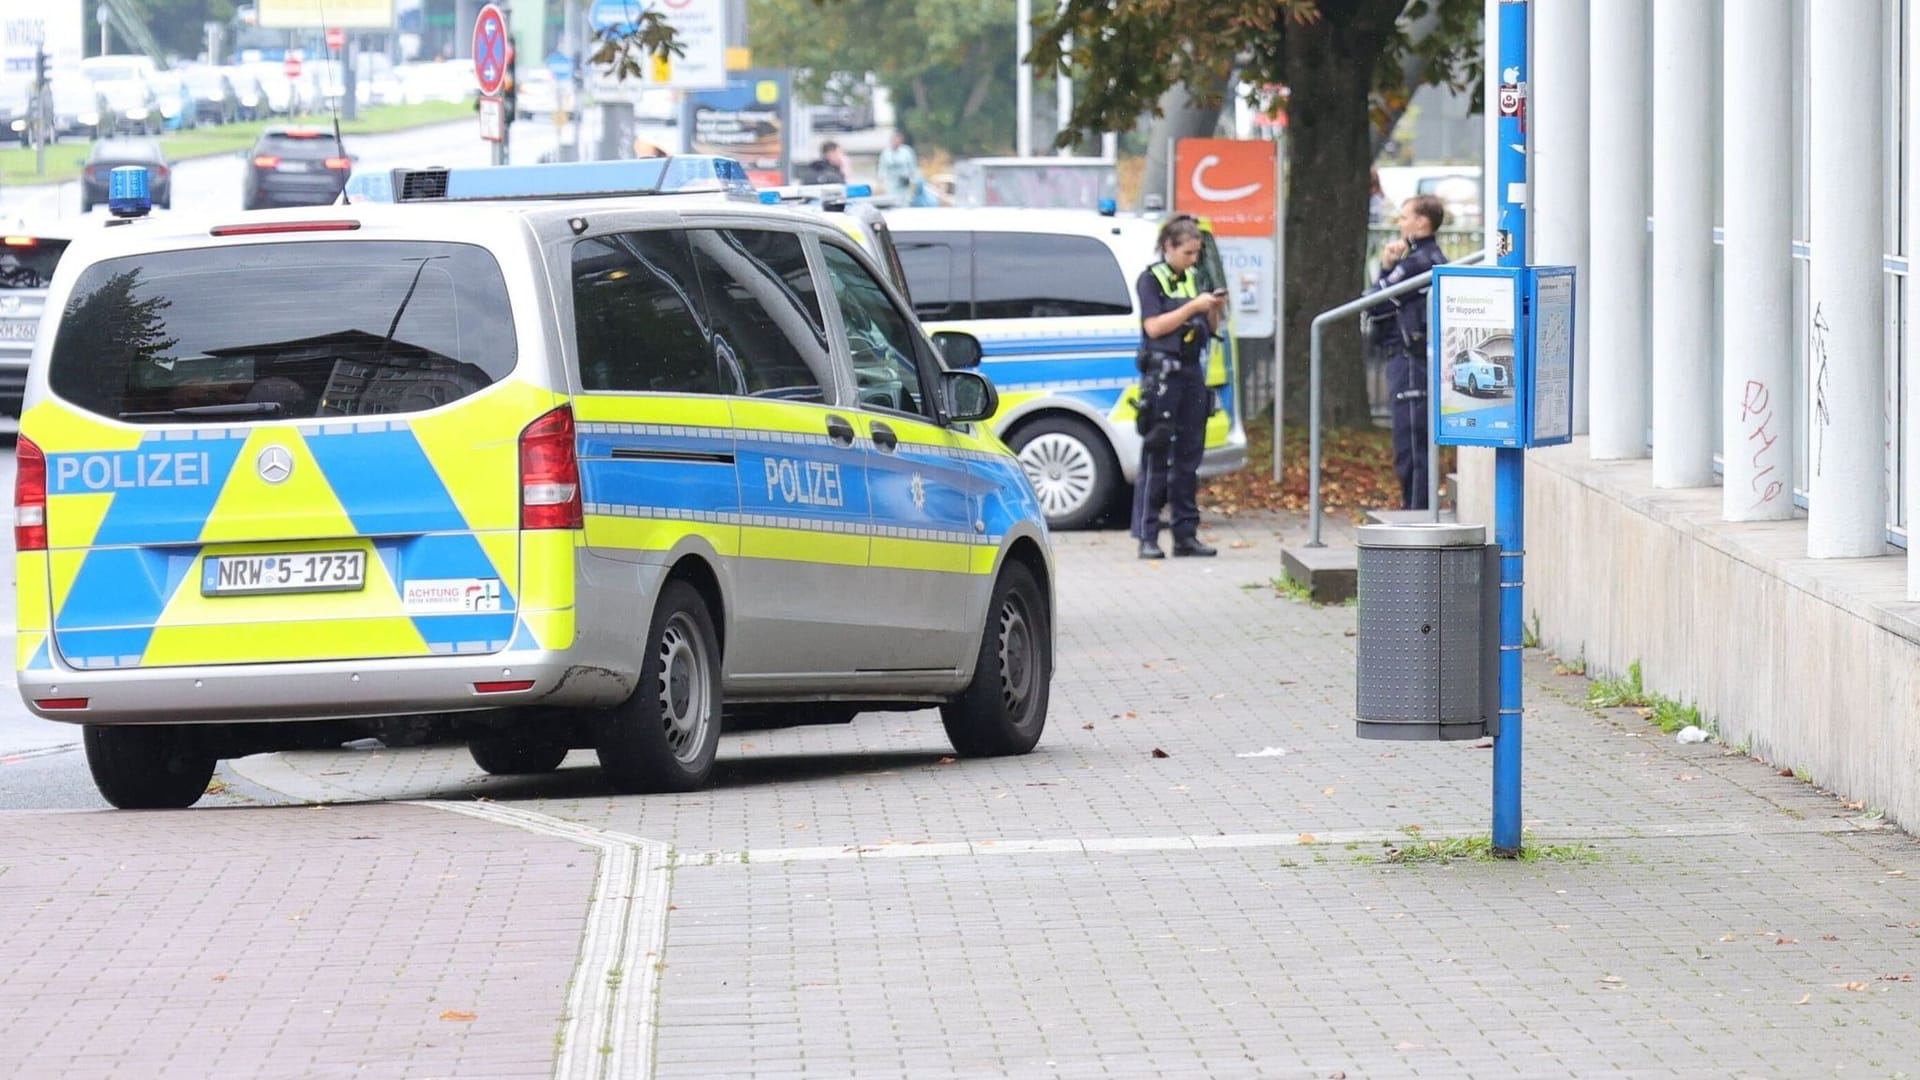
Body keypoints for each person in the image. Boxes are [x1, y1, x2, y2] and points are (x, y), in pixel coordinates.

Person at [1131, 215, 1226, 559]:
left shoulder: (1194, 279)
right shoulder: (1151, 279)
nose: (1193, 259)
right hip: (1162, 376)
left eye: (1196, 253)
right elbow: (1154, 327)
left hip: (1191, 374)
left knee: (1189, 457)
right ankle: (1148, 535)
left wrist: (1214, 309)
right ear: (1169, 247)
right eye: (1187, 252)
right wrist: (1192, 307)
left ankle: (1186, 535)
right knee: (1157, 456)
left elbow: (1210, 328)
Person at [1367, 193, 1449, 511]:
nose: (1400, 223)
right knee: (1408, 442)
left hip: (1411, 358)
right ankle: (1414, 505)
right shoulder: (1415, 259)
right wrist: (1388, 266)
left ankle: (1416, 511)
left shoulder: (1420, 262)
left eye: (1404, 217)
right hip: (1407, 357)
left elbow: (1375, 300)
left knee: (1411, 442)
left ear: (1422, 222)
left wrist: (1387, 272)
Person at [877, 130, 921, 202]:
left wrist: (914, 182)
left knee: (905, 202)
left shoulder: (907, 151)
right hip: (891, 183)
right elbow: (882, 168)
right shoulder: (886, 153)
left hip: (904, 184)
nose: (896, 142)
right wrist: (881, 184)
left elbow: (913, 168)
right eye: (894, 140)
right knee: (892, 202)